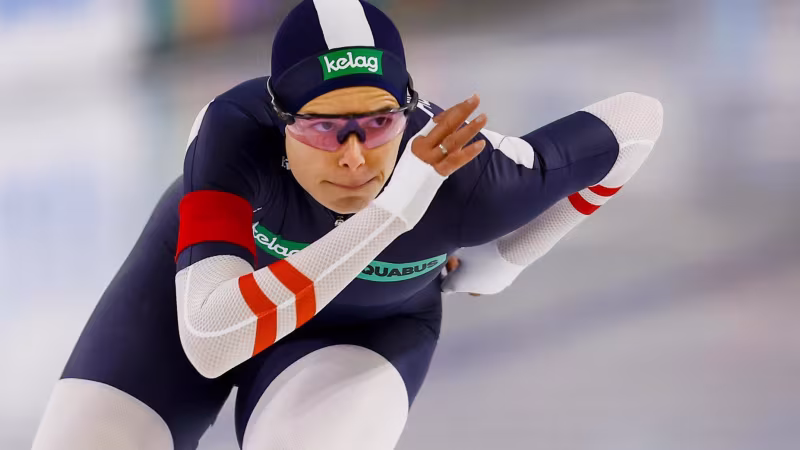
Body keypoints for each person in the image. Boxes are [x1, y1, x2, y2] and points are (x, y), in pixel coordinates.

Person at [31, 0, 664, 449]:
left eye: (379, 123)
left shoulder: (471, 176)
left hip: (363, 331)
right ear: (281, 123)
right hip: (210, 294)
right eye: (325, 128)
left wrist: (510, 258)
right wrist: (392, 214)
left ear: (408, 111)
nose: (355, 156)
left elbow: (637, 120)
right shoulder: (231, 135)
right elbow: (210, 337)